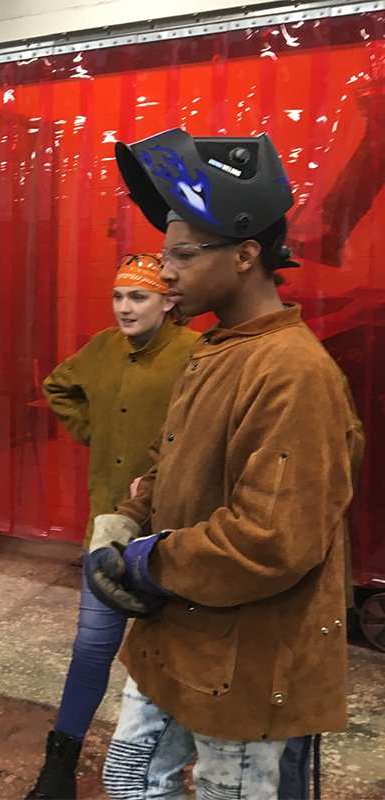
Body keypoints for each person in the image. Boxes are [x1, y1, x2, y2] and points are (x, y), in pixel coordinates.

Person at [86, 129, 363, 799]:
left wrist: (150, 560)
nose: (166, 272)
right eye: (163, 254)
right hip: (177, 641)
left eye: (181, 254)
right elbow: (170, 460)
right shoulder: (217, 349)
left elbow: (272, 538)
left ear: (245, 255)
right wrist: (125, 519)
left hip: (247, 668)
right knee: (129, 782)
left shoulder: (292, 371)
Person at [24, 254, 198, 799]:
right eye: (119, 296)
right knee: (92, 649)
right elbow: (58, 387)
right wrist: (95, 433)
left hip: (173, 537)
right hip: (108, 532)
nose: (125, 307)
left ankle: (161, 772)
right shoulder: (101, 348)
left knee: (176, 657)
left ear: (169, 302)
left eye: (139, 297)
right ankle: (59, 765)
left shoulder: (197, 355)